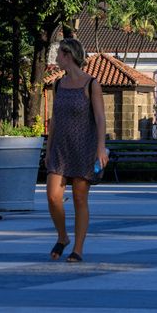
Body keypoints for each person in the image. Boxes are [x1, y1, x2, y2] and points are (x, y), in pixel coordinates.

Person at [45, 37, 108, 263]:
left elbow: (100, 118)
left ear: (68, 55)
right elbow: (54, 119)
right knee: (53, 197)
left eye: (59, 55)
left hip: (84, 147)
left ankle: (78, 249)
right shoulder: (58, 84)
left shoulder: (91, 84)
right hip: (60, 148)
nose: (56, 59)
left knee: (80, 198)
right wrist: (48, 148)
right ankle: (63, 237)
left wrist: (100, 148)